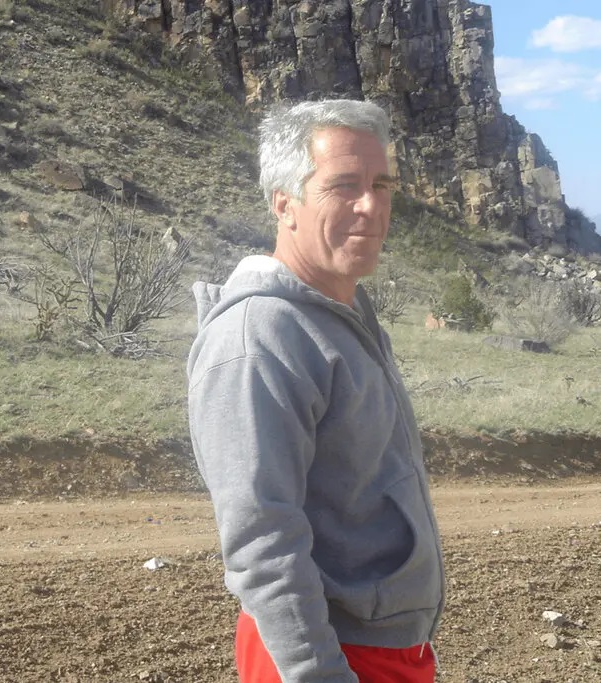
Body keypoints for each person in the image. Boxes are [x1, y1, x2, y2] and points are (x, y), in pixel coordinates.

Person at [187, 99, 445, 682]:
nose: (371, 205)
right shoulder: (259, 337)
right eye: (343, 186)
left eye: (381, 185)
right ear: (285, 204)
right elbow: (262, 543)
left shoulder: (343, 314)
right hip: (324, 654)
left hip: (382, 646)